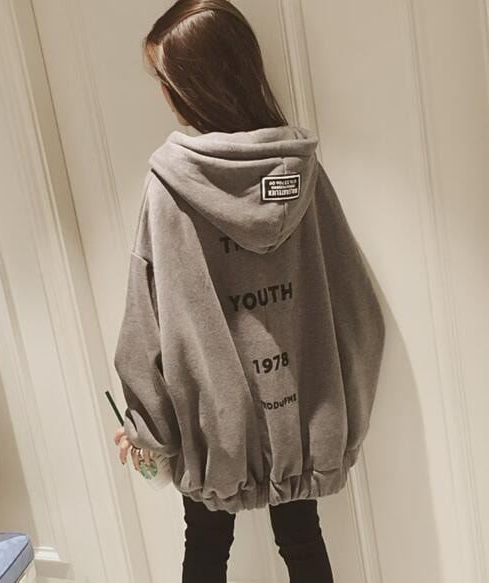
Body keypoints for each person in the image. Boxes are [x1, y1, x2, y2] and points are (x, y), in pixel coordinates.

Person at [112, 1, 386, 582]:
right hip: (303, 411)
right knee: (303, 539)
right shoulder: (300, 173)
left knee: (205, 547)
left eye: (165, 78)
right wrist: (342, 415)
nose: (164, 92)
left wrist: (148, 428)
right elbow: (357, 308)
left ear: (195, 83)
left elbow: (145, 319)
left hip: (212, 425)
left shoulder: (169, 185)